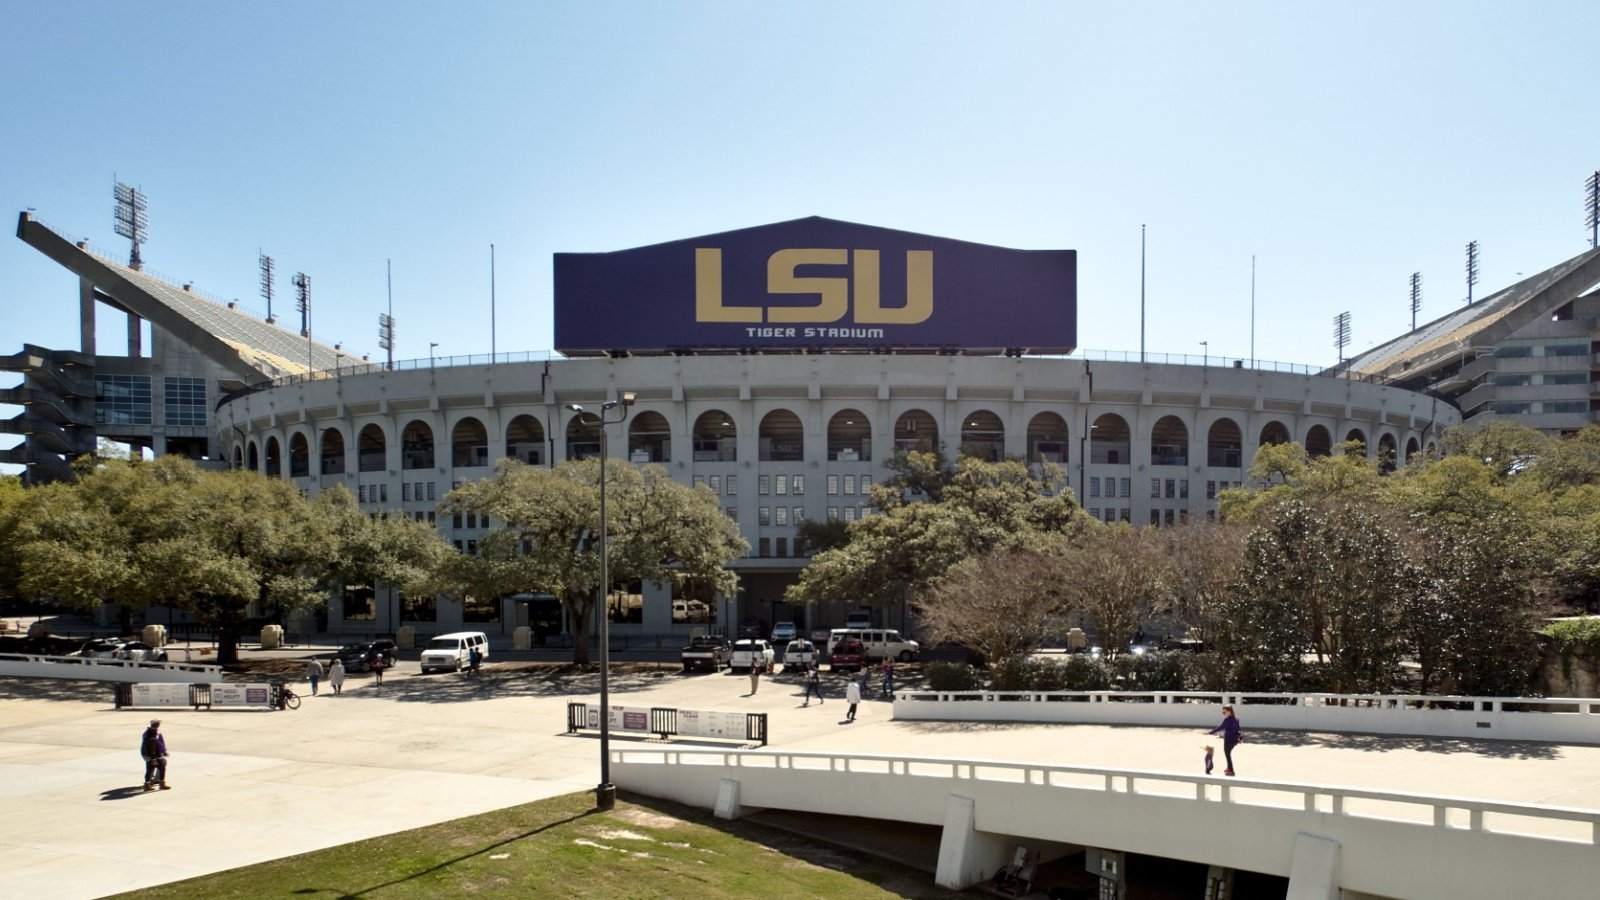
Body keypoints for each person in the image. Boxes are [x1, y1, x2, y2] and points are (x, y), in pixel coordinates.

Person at [1206, 705, 1241, 776]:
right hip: (1235, 740)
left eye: (1224, 712)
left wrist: (1210, 732)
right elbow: (1239, 728)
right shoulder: (1236, 719)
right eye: (1223, 712)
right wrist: (1240, 737)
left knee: (1228, 755)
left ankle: (1231, 770)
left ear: (1229, 711)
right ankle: (1229, 768)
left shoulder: (1227, 720)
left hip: (1228, 740)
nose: (1223, 714)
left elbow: (1220, 727)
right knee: (1228, 754)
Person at [140, 719, 169, 791]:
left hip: (157, 754)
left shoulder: (158, 733)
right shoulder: (148, 734)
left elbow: (160, 743)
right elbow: (150, 747)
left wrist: (164, 751)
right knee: (150, 768)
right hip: (149, 755)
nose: (159, 724)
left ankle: (160, 783)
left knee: (162, 766)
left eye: (159, 723)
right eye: (157, 723)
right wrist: (153, 759)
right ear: (153, 724)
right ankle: (147, 784)